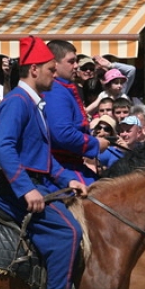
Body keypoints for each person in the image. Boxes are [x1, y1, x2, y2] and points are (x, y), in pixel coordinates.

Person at [0, 35, 91, 289]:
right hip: (14, 187)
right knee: (67, 232)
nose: (54, 74)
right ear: (34, 69)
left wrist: (68, 178)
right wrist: (26, 188)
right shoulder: (18, 102)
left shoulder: (34, 104)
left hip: (36, 182)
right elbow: (4, 147)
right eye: (50, 69)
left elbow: (42, 158)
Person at [43, 39, 108, 185]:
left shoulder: (63, 88)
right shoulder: (55, 91)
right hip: (61, 168)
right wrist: (95, 144)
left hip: (73, 164)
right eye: (71, 61)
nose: (76, 65)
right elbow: (62, 134)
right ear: (55, 63)